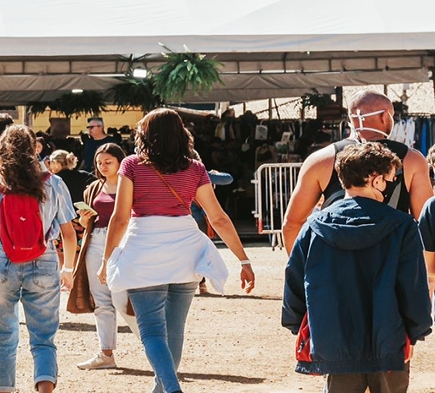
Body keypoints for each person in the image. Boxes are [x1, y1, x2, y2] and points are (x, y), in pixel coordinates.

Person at [100, 108, 255, 393]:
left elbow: (120, 218)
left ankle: (171, 389)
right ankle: (163, 389)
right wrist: (243, 259)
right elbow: (217, 217)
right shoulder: (194, 168)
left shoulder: (132, 165)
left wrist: (106, 259)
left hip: (144, 249)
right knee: (175, 330)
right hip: (186, 249)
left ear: (146, 135)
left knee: (151, 331)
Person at [283, 142, 432, 391]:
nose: (386, 187)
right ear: (375, 180)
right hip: (388, 339)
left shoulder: (313, 227)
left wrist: (297, 325)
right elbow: (413, 286)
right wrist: (416, 330)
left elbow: (295, 281)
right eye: (386, 180)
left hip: (334, 338)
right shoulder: (402, 226)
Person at [0, 124, 77, 393]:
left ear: (1, 150)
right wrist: (68, 268)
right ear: (34, 148)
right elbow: (69, 234)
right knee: (43, 338)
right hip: (45, 259)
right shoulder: (54, 183)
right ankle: (45, 388)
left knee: (4, 336)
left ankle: (4, 389)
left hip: (2, 262)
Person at [282, 89, 433, 254]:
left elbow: (292, 224)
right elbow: (426, 224)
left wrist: (302, 271)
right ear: (385, 116)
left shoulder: (320, 160)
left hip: (335, 264)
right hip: (390, 264)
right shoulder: (411, 160)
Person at [68, 143, 137, 370]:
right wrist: (85, 218)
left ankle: (154, 345)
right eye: (99, 162)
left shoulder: (132, 185)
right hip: (96, 240)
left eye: (108, 162)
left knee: (128, 297)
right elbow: (86, 224)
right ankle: (106, 353)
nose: (103, 166)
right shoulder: (95, 187)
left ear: (120, 162)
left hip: (126, 241)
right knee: (101, 300)